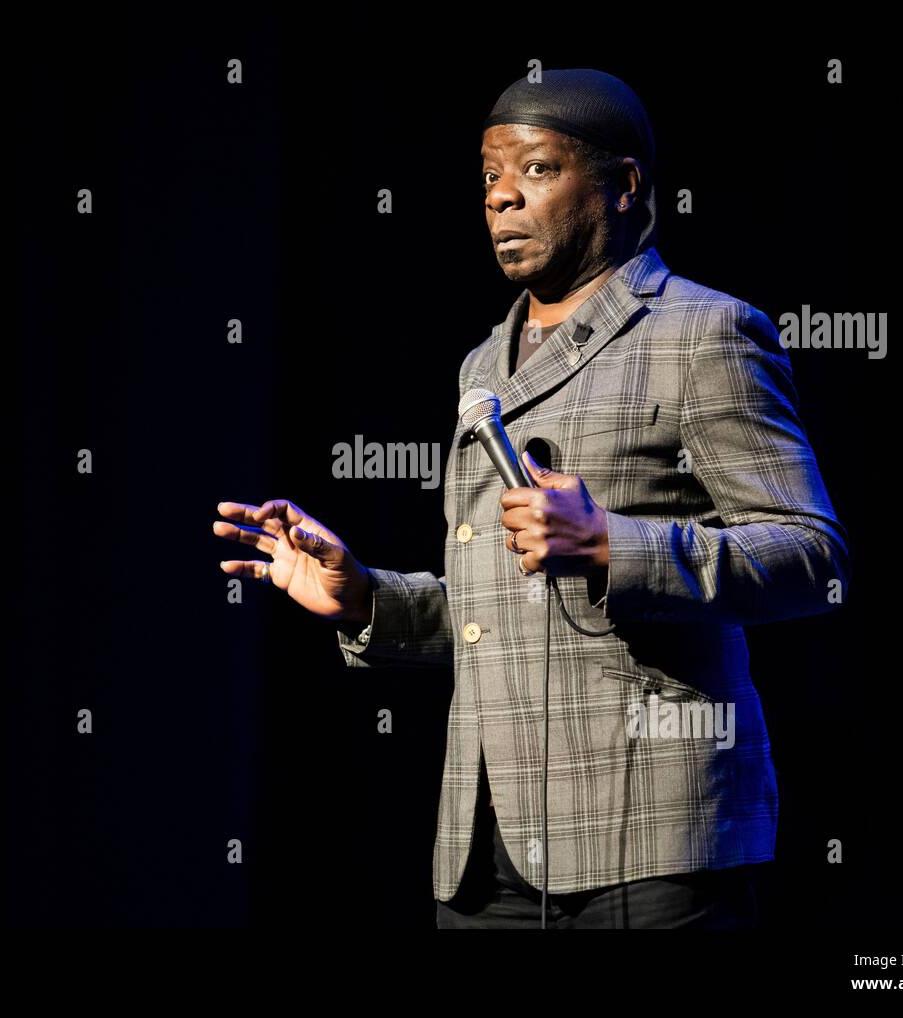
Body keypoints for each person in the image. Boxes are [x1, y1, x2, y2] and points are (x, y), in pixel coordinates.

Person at [212, 69, 850, 928]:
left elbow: (811, 557)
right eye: (488, 176)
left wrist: (610, 547)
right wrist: (364, 597)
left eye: (538, 170)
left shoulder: (702, 334)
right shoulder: (484, 365)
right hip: (488, 850)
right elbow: (501, 612)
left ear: (624, 186)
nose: (502, 196)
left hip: (649, 836)